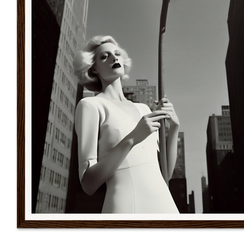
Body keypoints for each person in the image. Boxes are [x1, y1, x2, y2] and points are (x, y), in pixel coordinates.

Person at [73, 35, 180, 213]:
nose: (114, 58)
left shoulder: (144, 109)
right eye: (104, 56)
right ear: (94, 69)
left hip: (166, 206)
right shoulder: (90, 106)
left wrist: (174, 128)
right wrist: (132, 138)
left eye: (117, 53)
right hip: (127, 206)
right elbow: (88, 183)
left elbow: (165, 174)